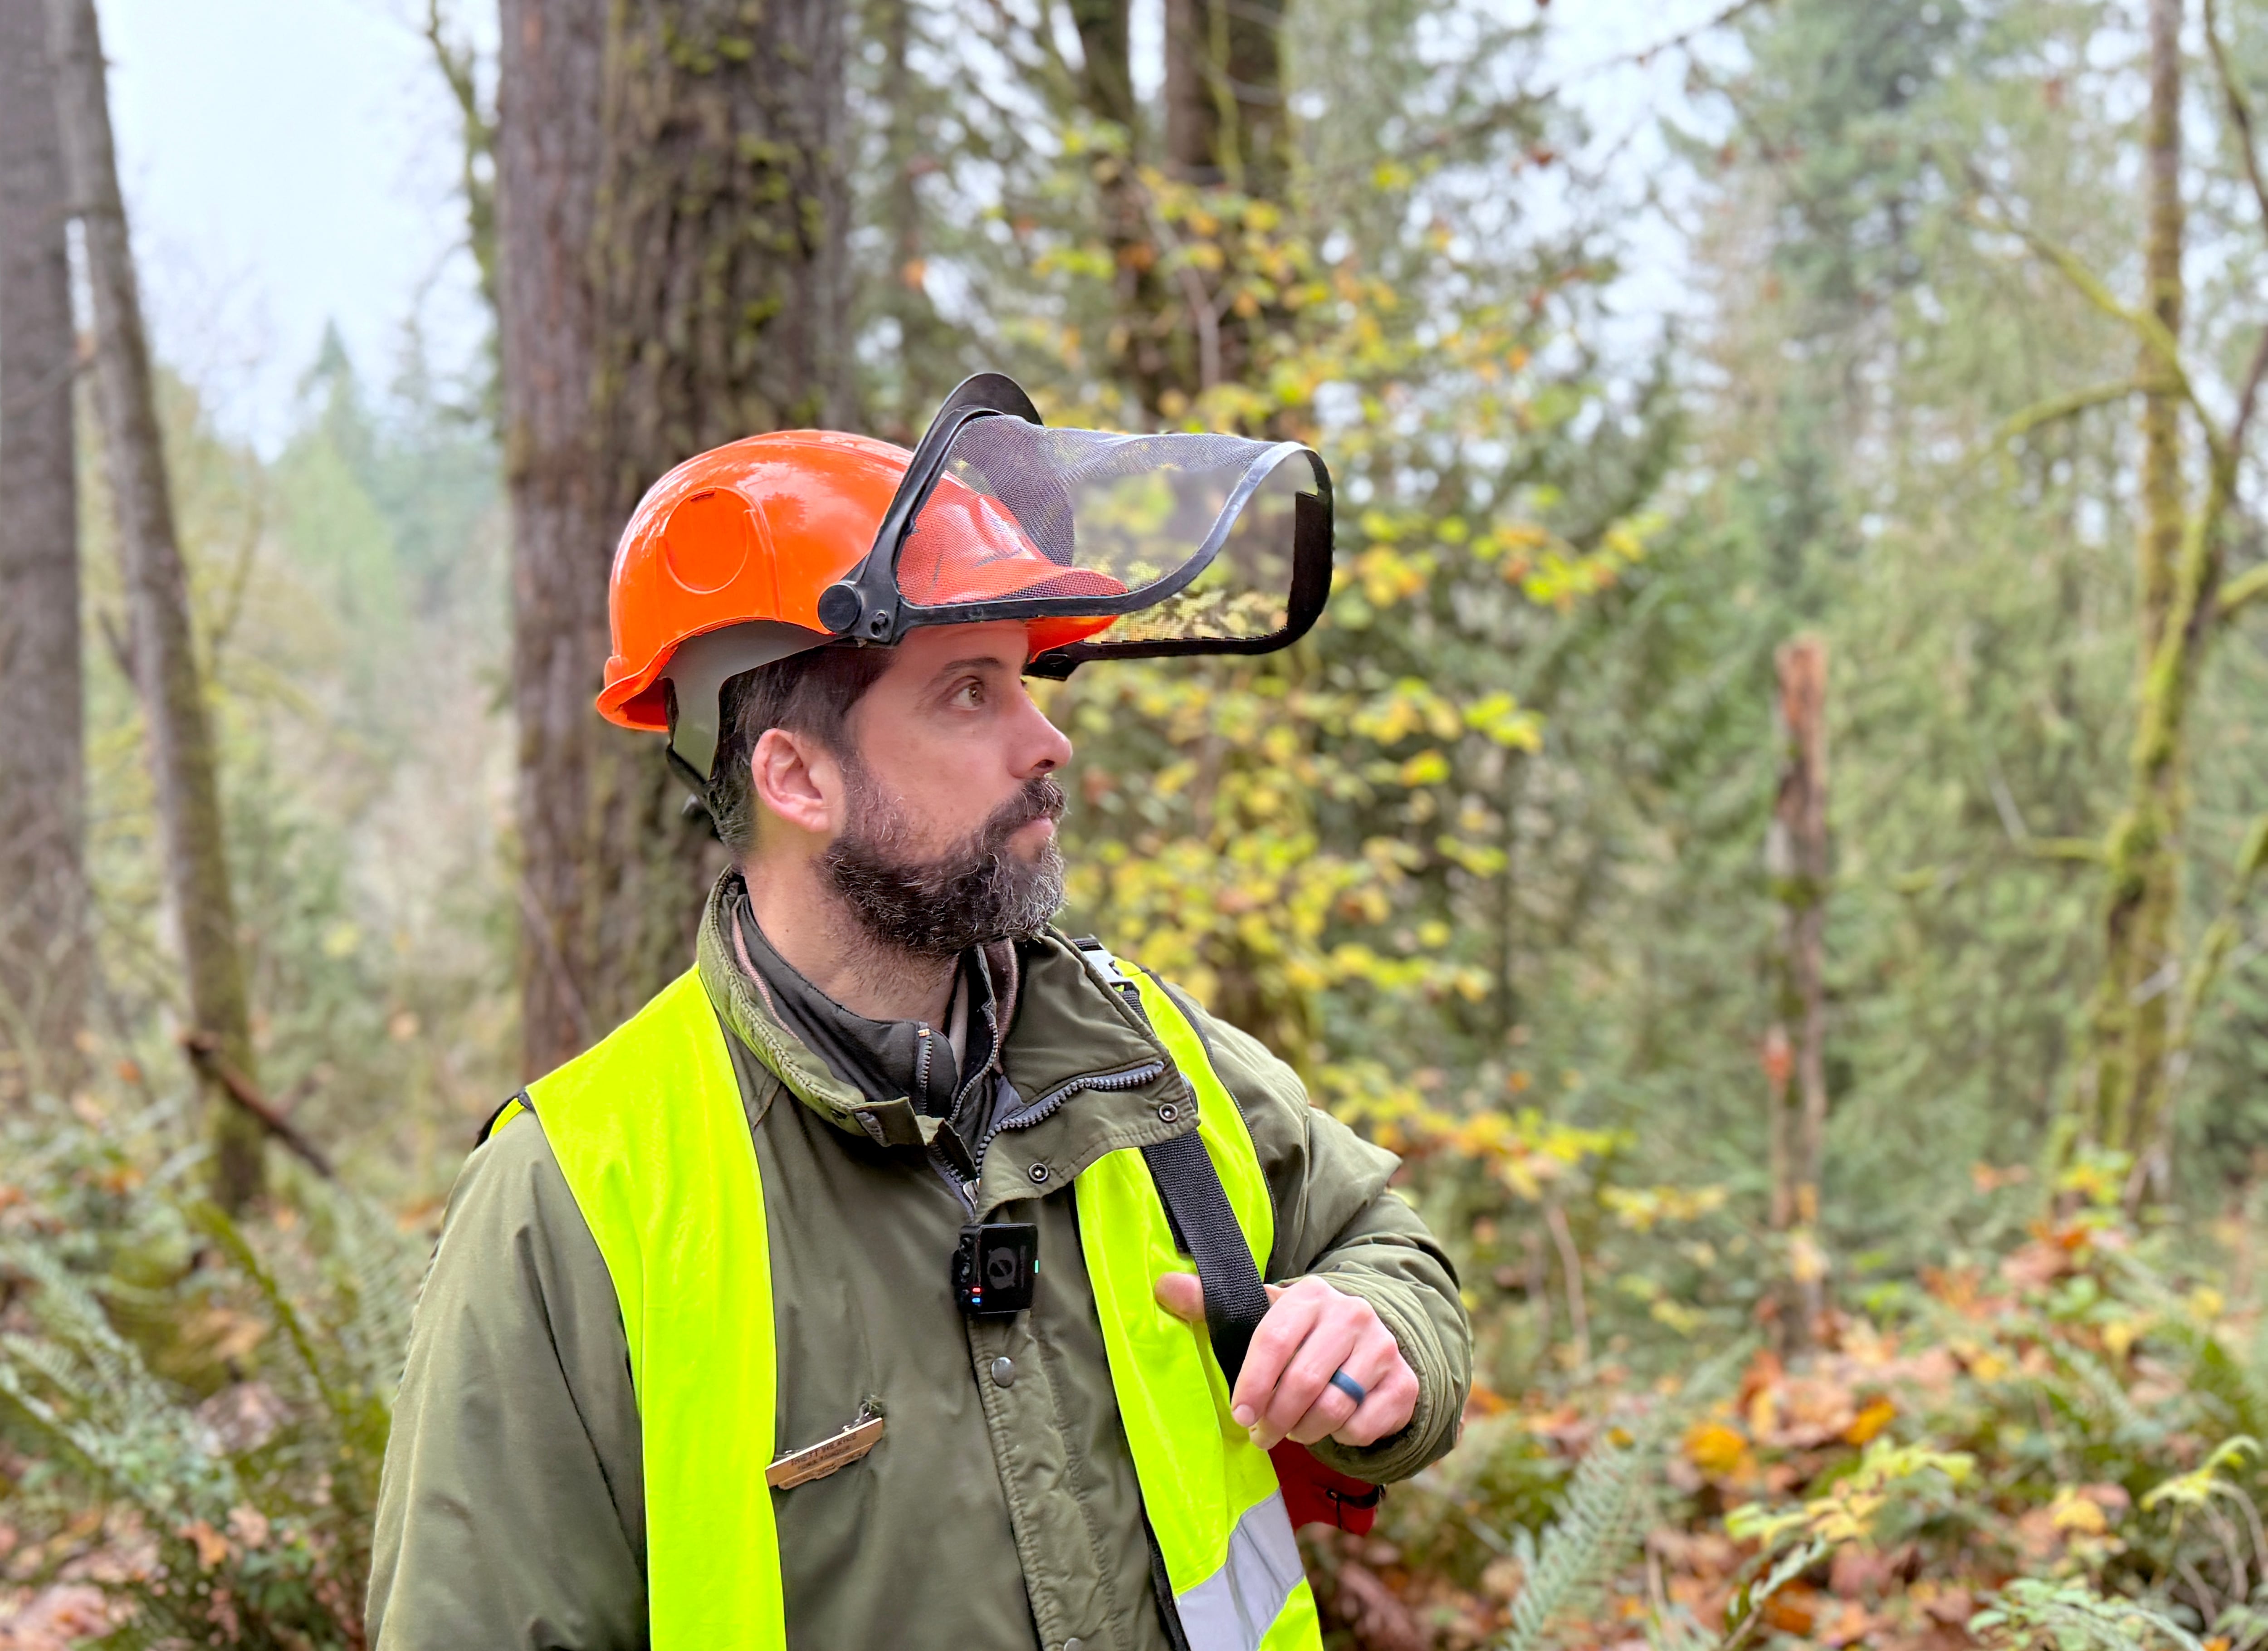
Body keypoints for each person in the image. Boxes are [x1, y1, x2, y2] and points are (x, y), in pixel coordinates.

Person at [367, 378, 1471, 1651]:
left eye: (1027, 683)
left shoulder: (1142, 1054)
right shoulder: (575, 1196)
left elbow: (1385, 1246)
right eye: (970, 693)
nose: (1047, 740)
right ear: (795, 776)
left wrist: (1379, 1340)